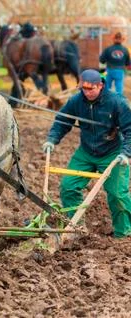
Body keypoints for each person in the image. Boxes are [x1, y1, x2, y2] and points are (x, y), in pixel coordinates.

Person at [42, 69, 131, 238]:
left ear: (101, 85)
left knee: (117, 194)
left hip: (113, 152)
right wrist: (52, 139)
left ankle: (124, 233)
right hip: (86, 151)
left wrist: (126, 153)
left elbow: (130, 129)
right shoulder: (77, 101)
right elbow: (62, 120)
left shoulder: (116, 102)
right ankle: (76, 227)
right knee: (68, 187)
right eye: (84, 89)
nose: (87, 92)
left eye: (91, 89)